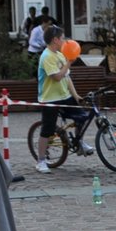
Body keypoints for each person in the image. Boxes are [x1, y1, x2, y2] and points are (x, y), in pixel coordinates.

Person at [34, 25, 92, 173]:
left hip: (64, 96)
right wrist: (69, 62)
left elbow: (67, 78)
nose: (65, 41)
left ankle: (79, 142)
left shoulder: (60, 54)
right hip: (50, 98)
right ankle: (41, 161)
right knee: (47, 130)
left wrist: (76, 95)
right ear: (55, 40)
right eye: (62, 38)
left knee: (82, 117)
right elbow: (57, 77)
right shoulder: (46, 57)